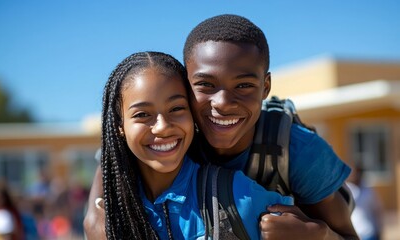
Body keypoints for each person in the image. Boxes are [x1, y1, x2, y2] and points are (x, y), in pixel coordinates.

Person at [84, 14, 358, 239]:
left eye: (243, 85)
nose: (223, 103)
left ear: (265, 87)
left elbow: (349, 234)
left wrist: (319, 235)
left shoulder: (296, 151)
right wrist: (96, 213)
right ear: (185, 86)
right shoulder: (175, 132)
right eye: (205, 85)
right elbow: (114, 155)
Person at [99, 51, 293, 239]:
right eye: (142, 114)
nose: (163, 127)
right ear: (119, 126)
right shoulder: (116, 210)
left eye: (176, 108)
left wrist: (321, 233)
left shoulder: (237, 195)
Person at [347, 165, 383, 240]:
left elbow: (377, 211)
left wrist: (379, 230)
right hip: (353, 234)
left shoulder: (369, 191)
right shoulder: (346, 191)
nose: (353, 175)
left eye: (355, 173)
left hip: (369, 233)